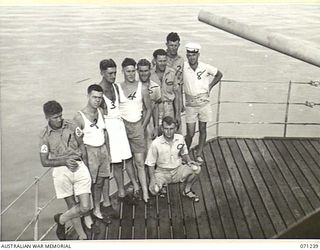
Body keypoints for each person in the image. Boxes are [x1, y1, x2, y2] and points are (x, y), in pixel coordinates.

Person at [39, 100, 92, 240]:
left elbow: (82, 146)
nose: (59, 119)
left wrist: (85, 166)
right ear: (47, 118)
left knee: (85, 206)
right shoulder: (44, 135)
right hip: (60, 169)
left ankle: (61, 219)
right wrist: (64, 161)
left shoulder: (72, 126)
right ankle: (82, 236)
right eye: (55, 117)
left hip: (78, 165)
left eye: (60, 116)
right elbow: (44, 162)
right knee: (72, 205)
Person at [73, 84, 112, 225]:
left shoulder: (100, 111)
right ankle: (86, 214)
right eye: (94, 97)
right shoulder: (79, 117)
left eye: (100, 98)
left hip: (102, 150)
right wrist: (84, 160)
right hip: (89, 153)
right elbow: (77, 143)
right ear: (88, 96)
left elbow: (104, 133)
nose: (97, 100)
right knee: (88, 184)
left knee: (100, 182)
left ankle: (97, 209)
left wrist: (109, 152)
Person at [98, 59, 133, 208]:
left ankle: (121, 193)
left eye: (115, 73)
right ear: (102, 73)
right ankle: (110, 199)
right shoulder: (98, 92)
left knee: (123, 161)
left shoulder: (116, 88)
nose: (113, 76)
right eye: (110, 73)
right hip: (108, 129)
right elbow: (98, 117)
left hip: (119, 126)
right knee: (112, 163)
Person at [118, 57, 152, 203]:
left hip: (137, 125)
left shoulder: (142, 88)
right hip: (123, 127)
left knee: (139, 161)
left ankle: (145, 192)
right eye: (128, 71)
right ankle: (135, 184)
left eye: (133, 71)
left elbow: (149, 109)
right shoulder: (117, 88)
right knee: (128, 160)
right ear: (123, 71)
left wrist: (142, 127)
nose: (131, 74)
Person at [183, 42, 223, 164]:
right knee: (190, 133)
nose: (191, 58)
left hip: (204, 102)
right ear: (187, 55)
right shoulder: (183, 67)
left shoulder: (205, 67)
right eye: (189, 55)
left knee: (203, 129)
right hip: (190, 104)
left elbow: (219, 74)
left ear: (198, 55)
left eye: (194, 55)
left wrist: (210, 86)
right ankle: (185, 154)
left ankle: (199, 153)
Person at [145, 116, 201, 202]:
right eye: (166, 128)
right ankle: (162, 185)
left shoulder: (180, 138)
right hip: (162, 173)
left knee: (196, 169)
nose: (168, 131)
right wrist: (152, 180)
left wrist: (189, 161)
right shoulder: (155, 143)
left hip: (178, 170)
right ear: (162, 128)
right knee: (154, 190)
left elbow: (184, 152)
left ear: (175, 128)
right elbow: (150, 164)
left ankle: (187, 190)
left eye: (171, 128)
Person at [150, 49, 181, 132]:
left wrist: (177, 114)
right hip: (155, 108)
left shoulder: (172, 72)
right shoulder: (149, 74)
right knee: (155, 133)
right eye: (160, 61)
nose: (162, 63)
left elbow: (177, 94)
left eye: (164, 61)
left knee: (170, 133)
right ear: (155, 61)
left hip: (169, 108)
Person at [137, 58, 161, 149]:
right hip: (137, 121)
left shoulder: (155, 87)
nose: (144, 73)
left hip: (150, 121)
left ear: (150, 71)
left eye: (146, 71)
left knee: (151, 147)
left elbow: (156, 108)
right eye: (141, 71)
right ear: (137, 71)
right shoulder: (133, 87)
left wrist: (156, 127)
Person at [165, 32, 184, 113]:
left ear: (179, 45)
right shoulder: (160, 58)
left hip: (177, 95)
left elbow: (181, 83)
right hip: (165, 95)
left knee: (177, 122)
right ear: (167, 45)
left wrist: (181, 102)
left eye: (175, 45)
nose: (173, 48)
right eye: (171, 45)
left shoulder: (181, 60)